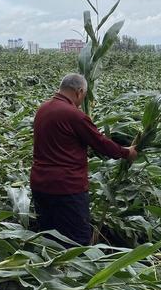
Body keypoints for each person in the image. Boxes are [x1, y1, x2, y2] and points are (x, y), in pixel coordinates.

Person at [30, 73, 137, 246]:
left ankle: (49, 271)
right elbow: (100, 143)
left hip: (40, 185)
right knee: (77, 240)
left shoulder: (43, 109)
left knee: (49, 238)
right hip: (67, 188)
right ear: (79, 92)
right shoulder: (74, 115)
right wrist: (127, 152)